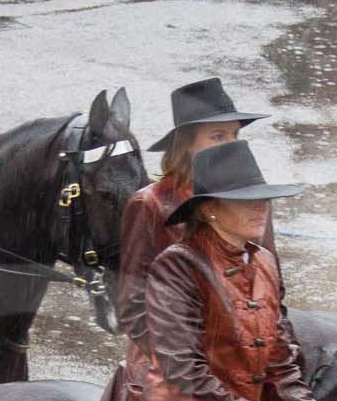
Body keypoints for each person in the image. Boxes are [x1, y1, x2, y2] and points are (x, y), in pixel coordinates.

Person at [68, 139, 336, 401]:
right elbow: (188, 379)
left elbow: (281, 368)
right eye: (245, 198)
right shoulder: (178, 266)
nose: (260, 207)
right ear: (210, 209)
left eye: (262, 196)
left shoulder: (264, 264)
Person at [117, 77, 272, 350]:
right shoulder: (149, 204)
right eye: (217, 136)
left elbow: (271, 290)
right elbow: (134, 310)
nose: (229, 144)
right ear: (187, 144)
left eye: (234, 135)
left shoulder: (254, 200)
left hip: (244, 359)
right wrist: (193, 361)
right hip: (173, 364)